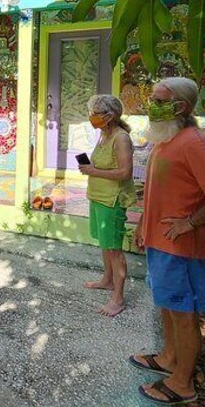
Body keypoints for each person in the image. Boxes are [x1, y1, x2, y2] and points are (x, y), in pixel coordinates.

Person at [129, 78, 205, 405]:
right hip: (159, 241)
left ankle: (182, 384)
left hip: (181, 248)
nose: (151, 103)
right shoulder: (166, 138)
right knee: (167, 304)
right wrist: (142, 224)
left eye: (158, 98)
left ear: (180, 106)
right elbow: (158, 190)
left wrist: (191, 222)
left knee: (184, 313)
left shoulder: (192, 142)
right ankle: (168, 358)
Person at [78, 95, 135, 317]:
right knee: (105, 244)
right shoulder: (104, 135)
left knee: (114, 249)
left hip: (112, 200)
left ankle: (118, 298)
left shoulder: (121, 138)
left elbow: (124, 172)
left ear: (109, 116)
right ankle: (107, 280)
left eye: (95, 113)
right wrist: (91, 168)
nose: (91, 117)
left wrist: (93, 171)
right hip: (98, 196)